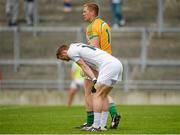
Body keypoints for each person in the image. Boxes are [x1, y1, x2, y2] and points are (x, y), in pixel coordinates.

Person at [56, 43, 123, 131]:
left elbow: (84, 66)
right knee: (103, 95)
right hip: (117, 64)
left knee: (96, 94)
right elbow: (90, 66)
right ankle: (102, 126)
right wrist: (94, 78)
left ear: (64, 52)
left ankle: (96, 126)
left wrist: (94, 80)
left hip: (108, 66)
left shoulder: (71, 52)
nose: (65, 60)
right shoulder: (76, 46)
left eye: (63, 58)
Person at [80, 3, 121, 129]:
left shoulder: (92, 27)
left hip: (99, 63)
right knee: (101, 92)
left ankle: (92, 122)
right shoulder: (103, 24)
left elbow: (94, 49)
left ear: (92, 12)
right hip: (108, 60)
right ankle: (112, 115)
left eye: (85, 11)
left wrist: (86, 66)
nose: (83, 13)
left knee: (90, 91)